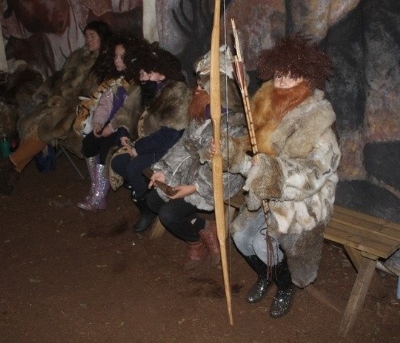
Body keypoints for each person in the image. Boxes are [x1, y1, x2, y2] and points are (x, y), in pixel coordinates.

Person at [213, 35, 341, 318]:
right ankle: (267, 275)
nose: (282, 82)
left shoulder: (319, 125)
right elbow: (253, 159)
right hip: (267, 191)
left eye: (292, 76)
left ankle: (284, 286)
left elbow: (314, 175)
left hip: (304, 201)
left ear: (308, 80)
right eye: (279, 75)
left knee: (262, 243)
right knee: (240, 236)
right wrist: (231, 154)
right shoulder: (268, 110)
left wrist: (270, 171)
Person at [146, 45, 247, 269]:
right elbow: (185, 144)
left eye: (202, 86)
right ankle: (203, 227)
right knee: (154, 200)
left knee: (169, 214)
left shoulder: (234, 125)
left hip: (217, 181)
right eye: (198, 84)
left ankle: (194, 242)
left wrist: (194, 188)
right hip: (191, 170)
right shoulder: (203, 112)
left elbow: (226, 169)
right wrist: (164, 171)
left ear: (219, 90)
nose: (196, 90)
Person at [0, 21, 112, 195]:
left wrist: (69, 99)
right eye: (86, 36)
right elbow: (60, 77)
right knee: (34, 123)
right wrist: (52, 94)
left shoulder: (105, 62)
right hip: (61, 100)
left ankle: (9, 163)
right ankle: (12, 172)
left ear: (102, 37)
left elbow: (98, 92)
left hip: (81, 107)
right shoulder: (78, 56)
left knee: (47, 125)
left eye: (93, 36)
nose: (88, 40)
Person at [108, 43, 192, 232]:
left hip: (169, 149)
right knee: (118, 162)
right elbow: (128, 112)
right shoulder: (146, 89)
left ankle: (148, 207)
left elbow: (171, 135)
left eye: (148, 72)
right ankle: (144, 198)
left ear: (162, 74)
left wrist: (139, 147)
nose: (142, 77)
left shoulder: (177, 93)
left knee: (133, 166)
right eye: (141, 72)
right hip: (146, 143)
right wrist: (123, 133)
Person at [76, 33, 149, 211]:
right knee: (89, 142)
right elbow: (105, 104)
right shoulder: (116, 80)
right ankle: (96, 186)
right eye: (115, 56)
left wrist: (111, 126)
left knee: (105, 148)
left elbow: (130, 114)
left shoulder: (137, 83)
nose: (117, 60)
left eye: (121, 57)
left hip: (127, 128)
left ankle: (100, 196)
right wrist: (98, 122)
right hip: (110, 124)